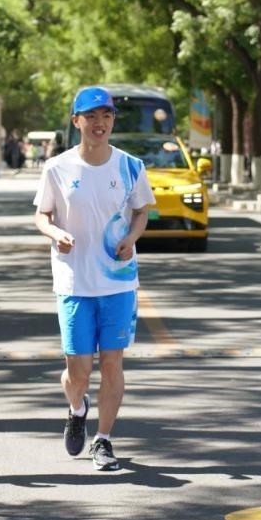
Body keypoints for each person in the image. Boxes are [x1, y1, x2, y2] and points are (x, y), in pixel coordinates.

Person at [33, 86, 155, 472]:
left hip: (118, 282)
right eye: (91, 116)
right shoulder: (57, 168)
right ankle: (76, 409)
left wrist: (132, 238)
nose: (100, 123)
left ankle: (103, 439)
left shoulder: (131, 167)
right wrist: (55, 233)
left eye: (106, 116)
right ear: (77, 121)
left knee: (112, 363)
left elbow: (142, 211)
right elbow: (41, 215)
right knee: (78, 370)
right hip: (74, 282)